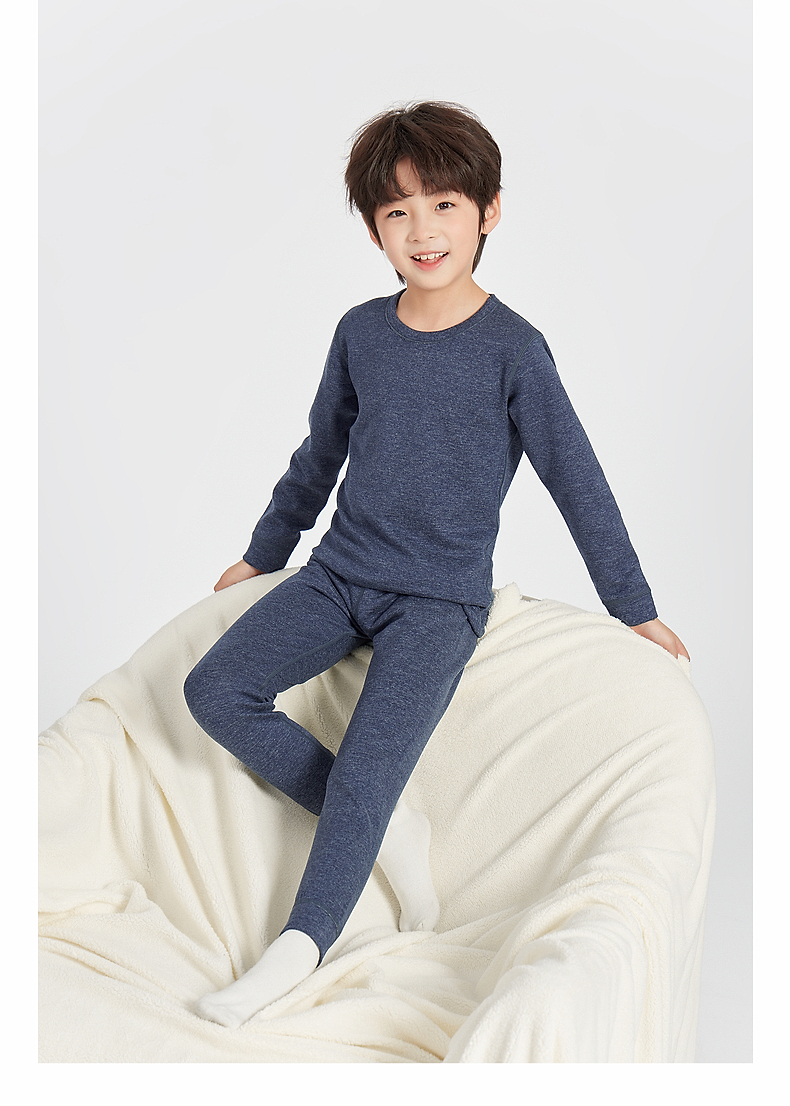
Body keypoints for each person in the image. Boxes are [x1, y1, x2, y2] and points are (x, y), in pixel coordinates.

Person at [184, 101, 688, 1028]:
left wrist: (636, 609)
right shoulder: (360, 332)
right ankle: (389, 826)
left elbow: (577, 480)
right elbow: (318, 455)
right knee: (214, 690)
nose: (423, 231)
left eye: (444, 205)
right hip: (339, 576)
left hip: (437, 603)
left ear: (489, 212)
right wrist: (263, 554)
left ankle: (297, 950)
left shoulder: (514, 350)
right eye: (398, 212)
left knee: (366, 774)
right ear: (374, 230)